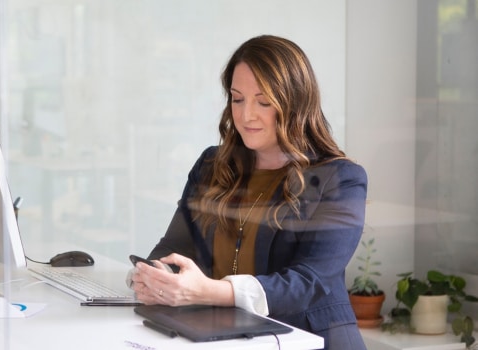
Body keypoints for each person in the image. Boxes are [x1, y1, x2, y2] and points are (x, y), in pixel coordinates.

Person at [128, 35, 368, 350]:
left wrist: (208, 291)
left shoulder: (341, 179)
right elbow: (175, 247)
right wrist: (152, 278)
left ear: (295, 103)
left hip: (310, 341)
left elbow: (308, 282)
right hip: (228, 339)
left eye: (263, 102)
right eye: (237, 99)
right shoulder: (212, 165)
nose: (246, 115)